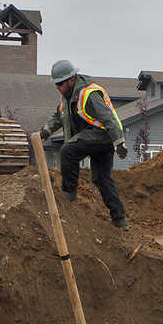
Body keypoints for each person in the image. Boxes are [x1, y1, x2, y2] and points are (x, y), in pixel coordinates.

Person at [30, 60, 129, 230]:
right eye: (56, 84)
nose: (58, 87)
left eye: (60, 84)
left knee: (68, 151)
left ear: (71, 79)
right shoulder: (66, 99)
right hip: (92, 139)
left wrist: (119, 142)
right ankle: (120, 220)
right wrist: (44, 132)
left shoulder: (89, 94)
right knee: (101, 179)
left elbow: (109, 118)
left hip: (102, 135)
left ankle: (68, 194)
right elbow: (57, 118)